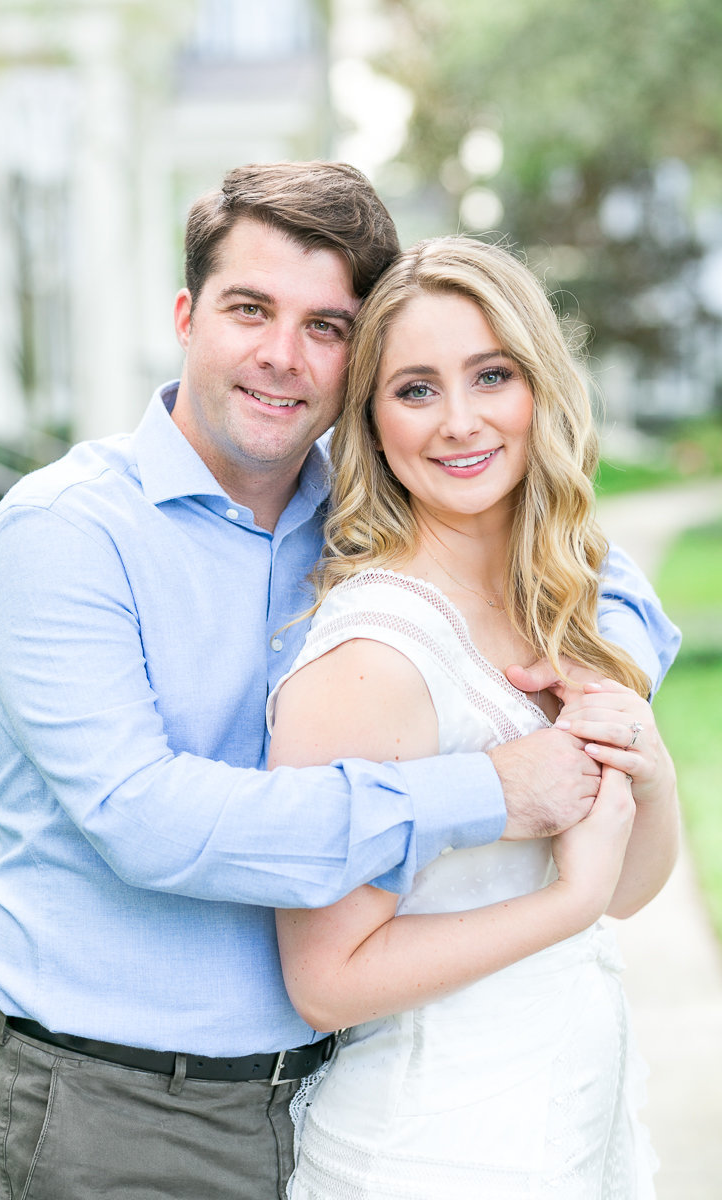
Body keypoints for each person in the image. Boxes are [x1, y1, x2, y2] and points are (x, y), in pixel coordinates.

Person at [0, 166, 679, 1200]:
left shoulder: (355, 499)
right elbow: (144, 818)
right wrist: (491, 788)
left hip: (328, 1089)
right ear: (185, 315)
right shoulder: (67, 533)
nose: (280, 356)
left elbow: (597, 578)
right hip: (116, 1103)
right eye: (250, 309)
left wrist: (595, 680)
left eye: (325, 326)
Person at [268, 235, 681, 1198]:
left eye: (491, 375)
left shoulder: (560, 597)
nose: (459, 421)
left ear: (540, 384)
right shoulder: (375, 652)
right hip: (430, 1155)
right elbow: (325, 977)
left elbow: (625, 891)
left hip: (572, 1137)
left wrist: (648, 766)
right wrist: (561, 907)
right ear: (370, 421)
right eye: (416, 389)